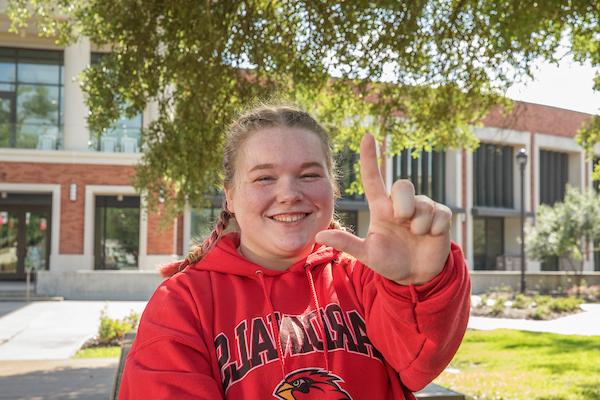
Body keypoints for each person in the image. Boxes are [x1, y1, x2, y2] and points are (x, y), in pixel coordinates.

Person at [118, 104, 470, 400]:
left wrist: (420, 283)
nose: (289, 193)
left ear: (332, 188)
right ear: (229, 195)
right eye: (264, 178)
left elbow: (418, 363)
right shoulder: (182, 303)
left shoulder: (365, 277)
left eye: (309, 174)